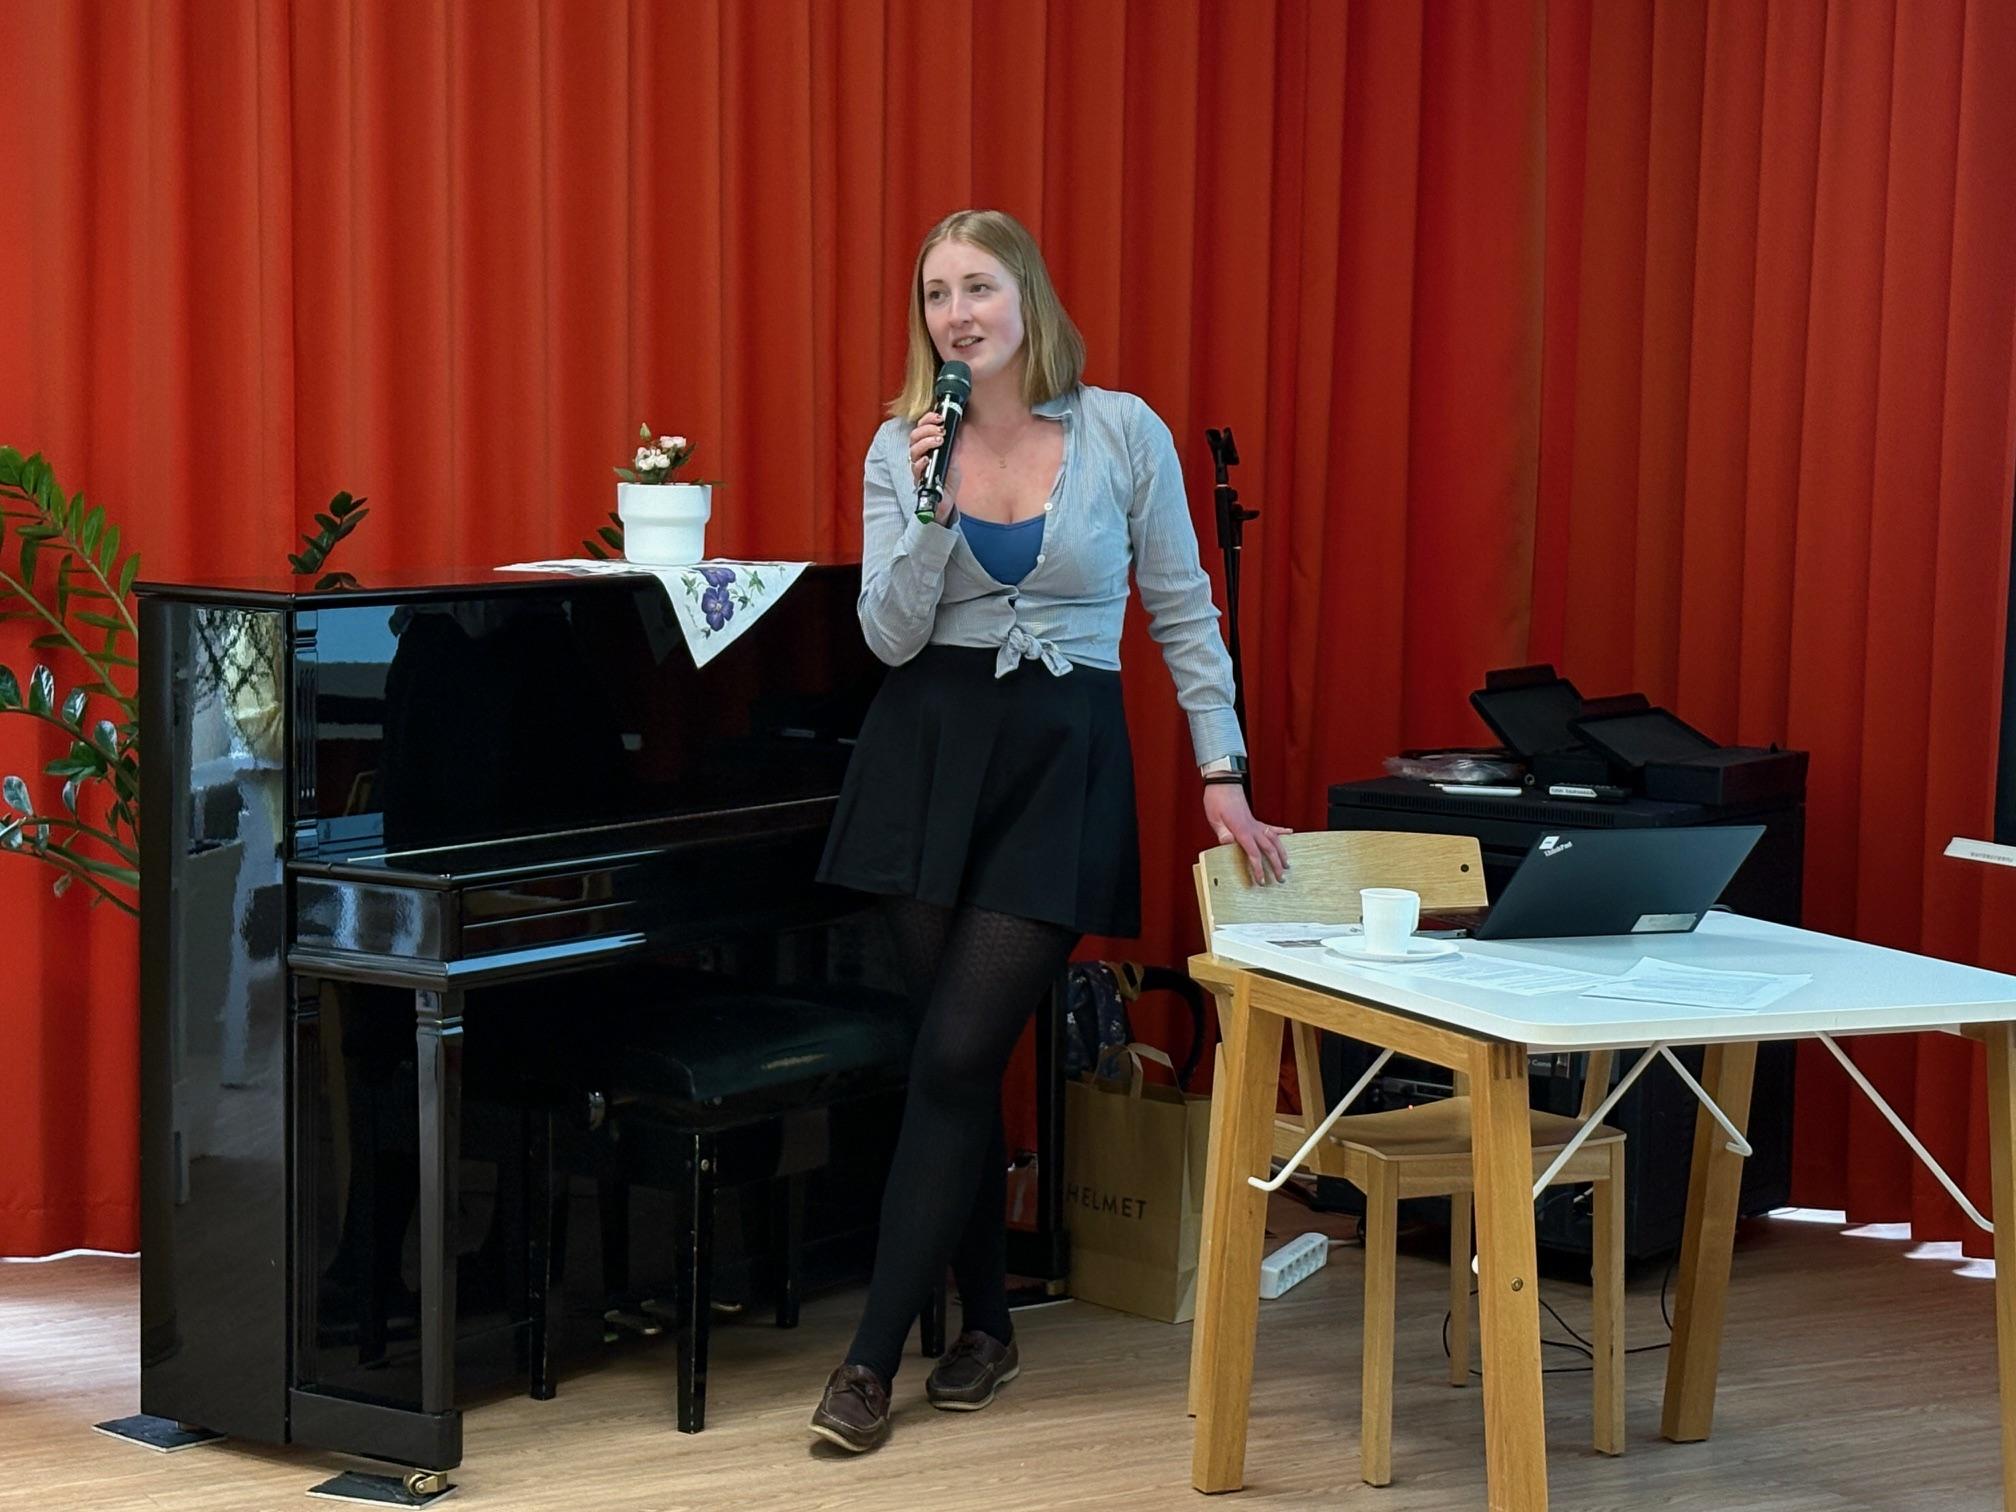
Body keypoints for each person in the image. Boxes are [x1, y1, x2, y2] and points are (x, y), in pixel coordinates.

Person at [809, 208, 1290, 1453]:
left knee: (958, 1053)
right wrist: (929, 508)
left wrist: (1221, 770)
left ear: (1026, 298)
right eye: (935, 295)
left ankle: (868, 1363)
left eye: (977, 287)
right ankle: (988, 1328)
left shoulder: (1123, 432)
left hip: (1059, 760)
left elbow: (1182, 609)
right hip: (926, 756)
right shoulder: (900, 448)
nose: (956, 314)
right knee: (953, 1062)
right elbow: (887, 638)